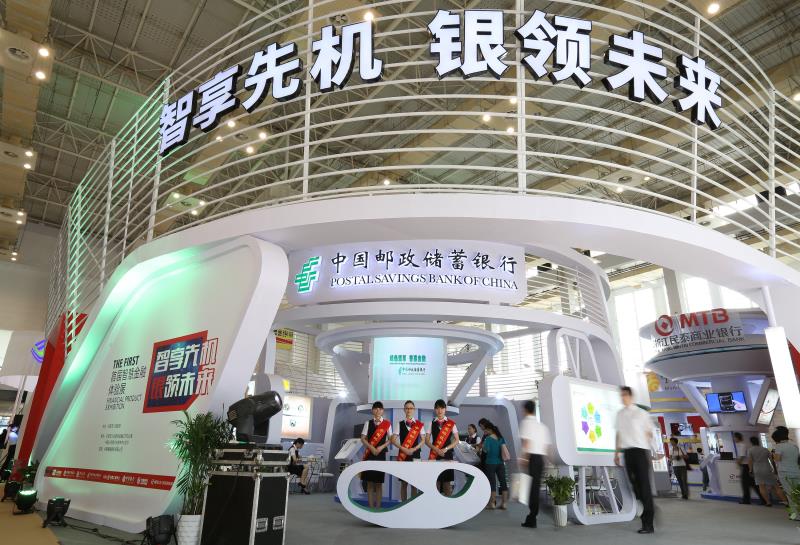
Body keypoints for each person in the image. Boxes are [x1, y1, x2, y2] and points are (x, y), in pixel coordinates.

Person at [614, 386, 655, 534]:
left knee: (644, 487)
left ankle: (648, 524)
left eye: (625, 395)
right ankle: (649, 508)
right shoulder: (619, 414)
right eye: (621, 395)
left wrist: (650, 450)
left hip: (640, 452)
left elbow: (649, 433)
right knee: (635, 486)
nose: (622, 397)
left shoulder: (641, 413)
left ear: (631, 396)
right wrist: (616, 452)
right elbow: (618, 434)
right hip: (628, 453)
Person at [519, 399, 551, 529]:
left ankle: (532, 517)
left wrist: (524, 458)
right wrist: (546, 461)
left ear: (525, 410)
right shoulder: (542, 426)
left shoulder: (526, 423)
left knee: (531, 489)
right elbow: (546, 446)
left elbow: (527, 442)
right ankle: (533, 516)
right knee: (535, 488)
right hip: (541, 459)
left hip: (532, 458)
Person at [390, 400, 426, 501]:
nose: (409, 410)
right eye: (407, 408)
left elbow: (423, 440)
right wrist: (403, 449)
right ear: (404, 410)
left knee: (415, 483)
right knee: (404, 483)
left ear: (414, 409)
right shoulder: (400, 424)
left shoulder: (419, 425)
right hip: (403, 455)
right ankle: (404, 505)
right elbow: (393, 440)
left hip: (416, 455)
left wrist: (414, 449)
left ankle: (413, 506)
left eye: (411, 408)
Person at [360, 401, 392, 509]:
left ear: (383, 411)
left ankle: (377, 507)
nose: (378, 410)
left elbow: (391, 439)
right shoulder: (368, 423)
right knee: (369, 483)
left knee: (378, 483)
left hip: (381, 455)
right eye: (376, 408)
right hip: (369, 454)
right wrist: (372, 448)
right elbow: (363, 438)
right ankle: (371, 507)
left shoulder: (387, 424)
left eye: (380, 409)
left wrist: (381, 447)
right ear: (372, 410)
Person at [426, 398, 459, 496]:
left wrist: (446, 449)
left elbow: (457, 440)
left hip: (447, 455)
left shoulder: (451, 424)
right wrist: (436, 449)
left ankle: (448, 504)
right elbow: (427, 440)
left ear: (445, 409)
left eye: (442, 408)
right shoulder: (431, 423)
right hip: (434, 455)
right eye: (437, 408)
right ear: (435, 410)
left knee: (447, 484)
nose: (439, 411)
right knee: (435, 482)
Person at [747, 436, 785, 507]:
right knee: (776, 486)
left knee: (762, 487)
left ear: (751, 442)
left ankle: (768, 502)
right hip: (767, 469)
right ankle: (785, 502)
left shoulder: (750, 450)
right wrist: (775, 469)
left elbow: (750, 461)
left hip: (757, 470)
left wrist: (750, 470)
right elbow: (771, 460)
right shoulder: (765, 449)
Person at [479, 420, 509, 509]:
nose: (484, 431)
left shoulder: (488, 439)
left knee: (492, 483)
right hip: (500, 463)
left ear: (489, 429)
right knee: (503, 482)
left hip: (490, 463)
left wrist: (483, 446)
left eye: (485, 430)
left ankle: (492, 504)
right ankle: (504, 503)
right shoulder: (500, 438)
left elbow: (485, 450)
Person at [772, 426, 800, 519]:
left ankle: (796, 515)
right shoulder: (794, 445)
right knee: (798, 493)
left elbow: (777, 459)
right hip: (796, 471)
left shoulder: (779, 446)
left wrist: (773, 454)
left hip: (785, 473)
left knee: (790, 494)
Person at [734, 432, 766, 504]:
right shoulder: (742, 445)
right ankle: (763, 500)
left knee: (746, 484)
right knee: (752, 484)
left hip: (746, 466)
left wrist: (738, 462)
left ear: (737, 438)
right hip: (747, 466)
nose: (734, 439)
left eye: (734, 437)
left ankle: (747, 500)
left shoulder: (742, 445)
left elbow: (742, 456)